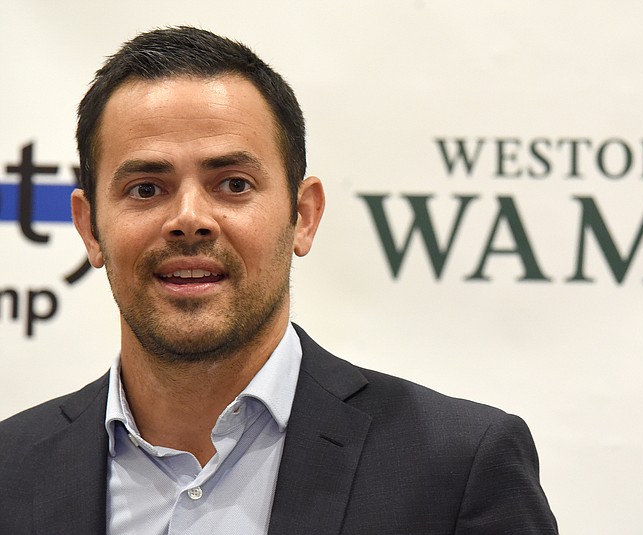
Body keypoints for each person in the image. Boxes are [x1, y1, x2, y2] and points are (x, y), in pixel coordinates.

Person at [0, 26, 557, 534]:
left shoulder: (455, 468)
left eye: (234, 184)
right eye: (146, 188)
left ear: (304, 215)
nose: (189, 219)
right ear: (89, 228)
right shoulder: (11, 469)